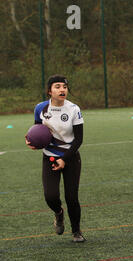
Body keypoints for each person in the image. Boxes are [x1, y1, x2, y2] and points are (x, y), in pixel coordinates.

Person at [25, 75, 85, 242]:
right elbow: (37, 130)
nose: (62, 89)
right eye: (57, 86)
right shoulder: (40, 108)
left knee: (71, 197)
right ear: (49, 91)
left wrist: (64, 158)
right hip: (49, 158)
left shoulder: (74, 109)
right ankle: (59, 213)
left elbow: (79, 140)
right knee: (50, 196)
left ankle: (76, 231)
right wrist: (31, 140)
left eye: (64, 86)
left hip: (71, 157)